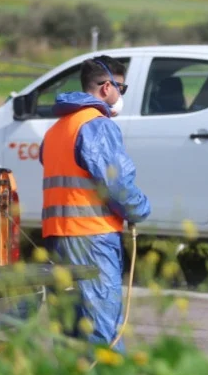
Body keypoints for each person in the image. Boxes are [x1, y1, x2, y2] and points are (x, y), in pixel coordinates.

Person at [39, 55, 151, 353]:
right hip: (92, 241)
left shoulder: (57, 129)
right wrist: (140, 209)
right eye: (121, 89)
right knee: (103, 332)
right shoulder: (97, 126)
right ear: (106, 88)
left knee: (69, 333)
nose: (120, 95)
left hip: (56, 240)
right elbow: (117, 185)